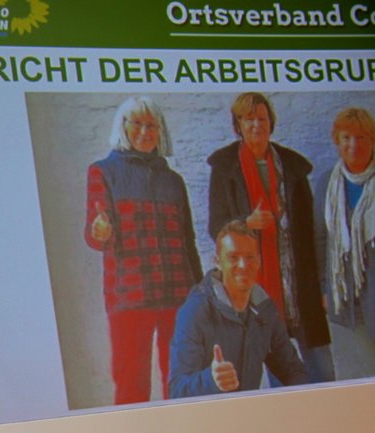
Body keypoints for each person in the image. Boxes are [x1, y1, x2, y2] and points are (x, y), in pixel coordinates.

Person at [207, 92, 334, 383]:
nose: (256, 125)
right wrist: (246, 223)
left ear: (271, 123)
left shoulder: (292, 166)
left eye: (262, 119)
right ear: (238, 125)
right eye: (249, 119)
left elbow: (311, 232)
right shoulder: (224, 167)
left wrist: (323, 285)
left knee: (323, 371)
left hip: (300, 284)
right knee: (281, 373)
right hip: (259, 285)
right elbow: (216, 226)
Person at [84, 96, 203, 404]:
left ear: (160, 131)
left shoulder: (173, 181)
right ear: (123, 127)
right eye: (137, 124)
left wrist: (200, 295)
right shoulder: (103, 172)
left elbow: (188, 241)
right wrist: (100, 231)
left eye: (152, 125)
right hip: (130, 298)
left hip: (178, 296)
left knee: (181, 383)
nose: (144, 132)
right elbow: (95, 236)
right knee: (131, 387)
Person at [169, 220, 308, 398]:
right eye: (233, 257)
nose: (243, 265)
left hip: (247, 411)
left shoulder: (265, 308)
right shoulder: (194, 312)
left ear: (258, 261)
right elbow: (177, 391)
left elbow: (293, 370)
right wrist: (212, 380)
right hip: (209, 413)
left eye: (249, 257)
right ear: (217, 261)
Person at [315, 107, 375, 379]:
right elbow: (320, 240)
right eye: (346, 137)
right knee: (357, 372)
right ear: (336, 141)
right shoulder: (327, 184)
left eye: (362, 137)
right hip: (345, 297)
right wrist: (324, 288)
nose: (354, 145)